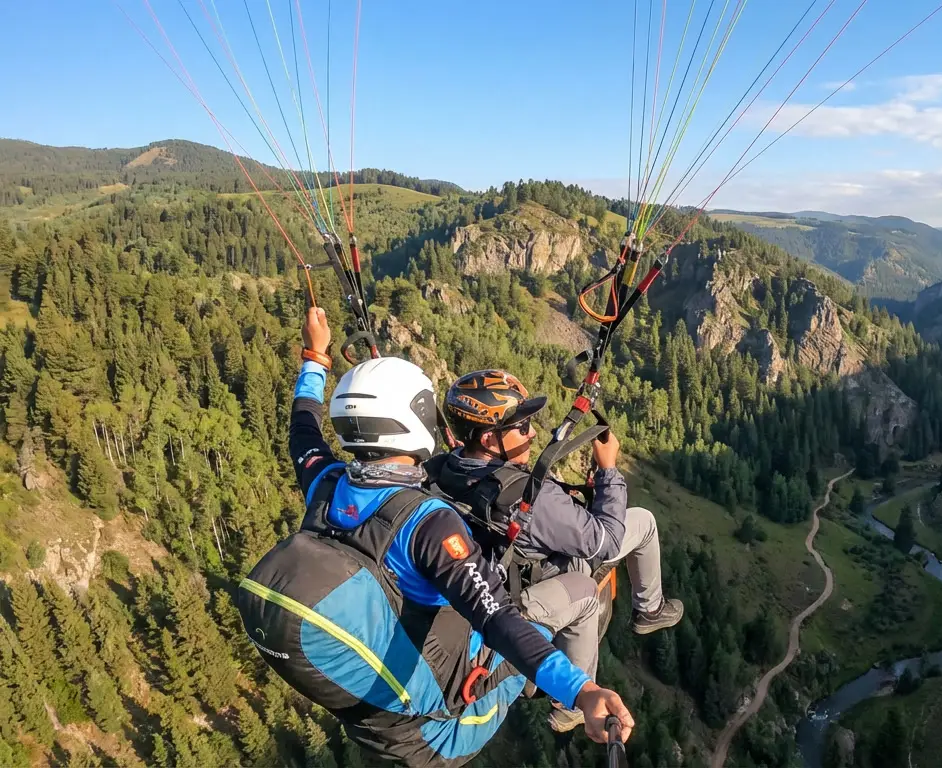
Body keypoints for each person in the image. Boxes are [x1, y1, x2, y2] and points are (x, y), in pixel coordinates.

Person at [235, 307, 634, 767]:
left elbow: (303, 429)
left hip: (381, 723)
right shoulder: (426, 525)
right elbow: (497, 619)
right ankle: (549, 695)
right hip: (447, 729)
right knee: (583, 592)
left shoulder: (324, 484)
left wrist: (315, 358)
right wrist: (582, 691)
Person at [424, 369, 684, 727]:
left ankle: (650, 610)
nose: (532, 433)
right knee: (588, 590)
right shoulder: (523, 497)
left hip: (499, 576)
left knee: (640, 521)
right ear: (487, 438)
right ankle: (573, 706)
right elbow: (603, 543)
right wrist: (609, 472)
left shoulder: (446, 467)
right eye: (521, 427)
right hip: (516, 599)